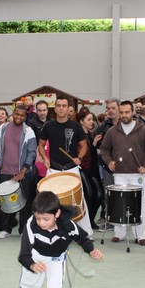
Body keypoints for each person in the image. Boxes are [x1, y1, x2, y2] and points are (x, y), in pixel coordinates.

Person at [3, 191, 103, 288]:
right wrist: (32, 264)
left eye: (46, 219)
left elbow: (82, 238)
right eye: (38, 218)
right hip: (35, 256)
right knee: (28, 282)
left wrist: (91, 250)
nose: (41, 223)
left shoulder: (68, 225)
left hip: (56, 259)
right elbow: (23, 254)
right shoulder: (31, 225)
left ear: (57, 213)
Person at [100, 100, 145, 245]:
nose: (124, 115)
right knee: (120, 204)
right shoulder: (113, 131)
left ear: (133, 112)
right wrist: (109, 162)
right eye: (122, 112)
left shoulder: (143, 130)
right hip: (119, 173)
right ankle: (120, 234)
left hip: (138, 174)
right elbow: (104, 149)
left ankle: (140, 236)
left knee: (139, 204)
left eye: (127, 112)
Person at [38, 96, 94, 236]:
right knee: (49, 202)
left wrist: (79, 158)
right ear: (55, 108)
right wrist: (45, 157)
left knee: (79, 200)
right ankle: (50, 230)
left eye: (64, 105)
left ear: (68, 108)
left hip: (72, 169)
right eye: (59, 105)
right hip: (53, 169)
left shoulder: (75, 126)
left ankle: (86, 233)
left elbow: (84, 145)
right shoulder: (48, 126)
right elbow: (41, 144)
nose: (61, 108)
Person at [0, 106, 37, 238]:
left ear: (25, 117)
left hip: (22, 173)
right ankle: (5, 229)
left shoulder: (29, 131)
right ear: (13, 114)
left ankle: (24, 229)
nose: (19, 117)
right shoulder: (2, 128)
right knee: (6, 202)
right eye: (17, 114)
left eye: (22, 115)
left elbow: (31, 153)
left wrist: (23, 171)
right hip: (5, 171)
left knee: (24, 203)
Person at [77, 108, 102, 229]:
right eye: (89, 120)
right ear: (82, 121)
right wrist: (93, 145)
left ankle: (90, 219)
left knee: (99, 195)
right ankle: (85, 222)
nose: (92, 122)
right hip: (82, 170)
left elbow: (91, 153)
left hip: (92, 171)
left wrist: (94, 144)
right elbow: (82, 154)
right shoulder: (79, 135)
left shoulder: (90, 135)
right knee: (90, 195)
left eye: (92, 119)